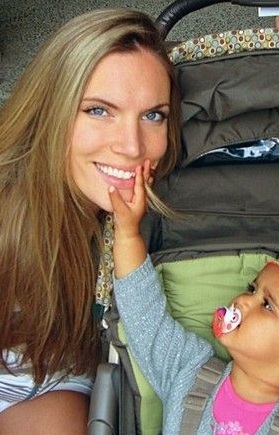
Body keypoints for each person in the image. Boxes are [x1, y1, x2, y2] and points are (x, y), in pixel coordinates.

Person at [0, 8, 181, 434]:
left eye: (153, 115)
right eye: (99, 111)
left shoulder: (159, 194)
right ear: (52, 109)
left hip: (68, 383)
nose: (132, 146)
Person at [108, 163, 279, 434]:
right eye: (252, 289)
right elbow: (144, 315)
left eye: (267, 304)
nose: (242, 300)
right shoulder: (187, 369)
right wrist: (128, 234)